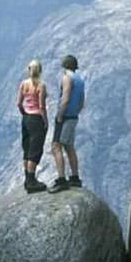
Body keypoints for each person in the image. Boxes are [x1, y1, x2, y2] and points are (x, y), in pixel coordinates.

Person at [48, 54, 84, 193]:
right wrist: (75, 113)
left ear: (65, 66)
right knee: (69, 146)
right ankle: (75, 177)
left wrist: (60, 114)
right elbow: (81, 102)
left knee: (56, 146)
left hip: (65, 117)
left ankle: (61, 179)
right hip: (74, 117)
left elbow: (66, 97)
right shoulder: (80, 80)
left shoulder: (67, 78)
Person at [16, 59, 48, 193]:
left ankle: (27, 179)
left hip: (26, 118)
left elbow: (18, 103)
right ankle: (31, 181)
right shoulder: (41, 85)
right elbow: (41, 106)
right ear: (40, 70)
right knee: (36, 149)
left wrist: (24, 113)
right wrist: (45, 121)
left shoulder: (24, 84)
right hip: (36, 119)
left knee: (27, 148)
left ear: (29, 70)